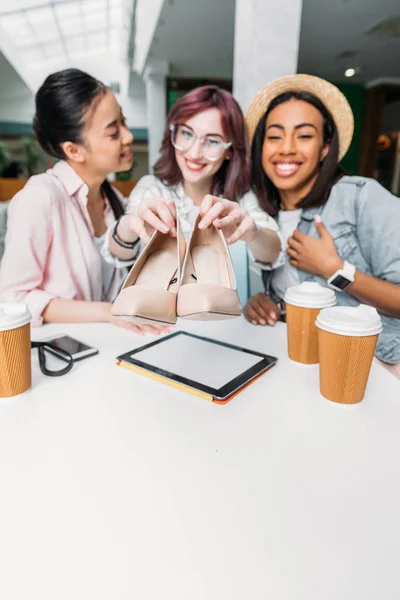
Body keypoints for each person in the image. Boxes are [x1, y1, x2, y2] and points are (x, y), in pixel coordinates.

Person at [243, 74, 400, 376]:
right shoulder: (265, 219)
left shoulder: (359, 196)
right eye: (274, 136)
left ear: (326, 147)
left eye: (303, 136)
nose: (286, 148)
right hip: (313, 375)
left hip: (378, 373)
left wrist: (336, 270)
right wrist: (267, 307)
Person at [0, 68, 167, 335]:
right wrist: (107, 311)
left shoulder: (115, 201)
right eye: (114, 132)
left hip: (107, 349)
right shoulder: (40, 197)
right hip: (59, 359)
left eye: (123, 122)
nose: (128, 137)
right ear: (73, 150)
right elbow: (14, 299)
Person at [103, 85, 283, 270]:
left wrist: (254, 233)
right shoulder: (152, 189)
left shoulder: (241, 198)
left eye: (212, 141)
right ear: (173, 133)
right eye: (187, 134)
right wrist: (127, 227)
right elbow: (119, 254)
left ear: (230, 150)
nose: (195, 153)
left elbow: (273, 254)